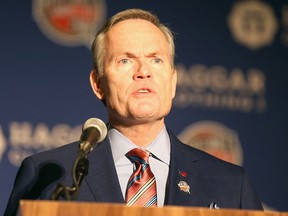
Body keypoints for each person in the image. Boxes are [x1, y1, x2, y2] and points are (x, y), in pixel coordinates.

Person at [4, 8, 263, 216]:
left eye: (156, 60)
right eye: (125, 60)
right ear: (98, 84)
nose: (143, 71)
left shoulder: (230, 184)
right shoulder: (49, 174)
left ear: (172, 82)